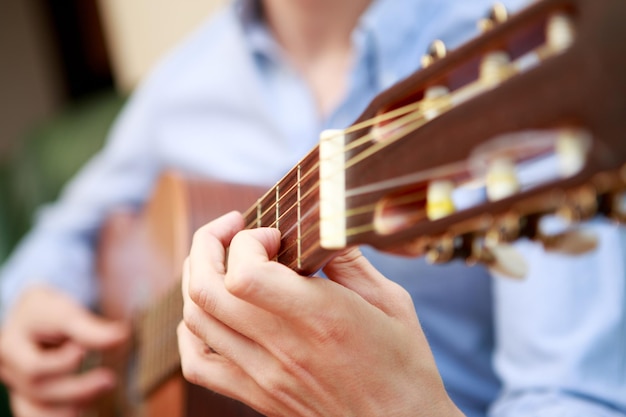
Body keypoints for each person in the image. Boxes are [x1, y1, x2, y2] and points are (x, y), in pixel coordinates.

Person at [0, 0, 624, 416]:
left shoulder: (508, 46)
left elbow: (575, 397)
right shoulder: (182, 84)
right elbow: (60, 233)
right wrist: (25, 306)